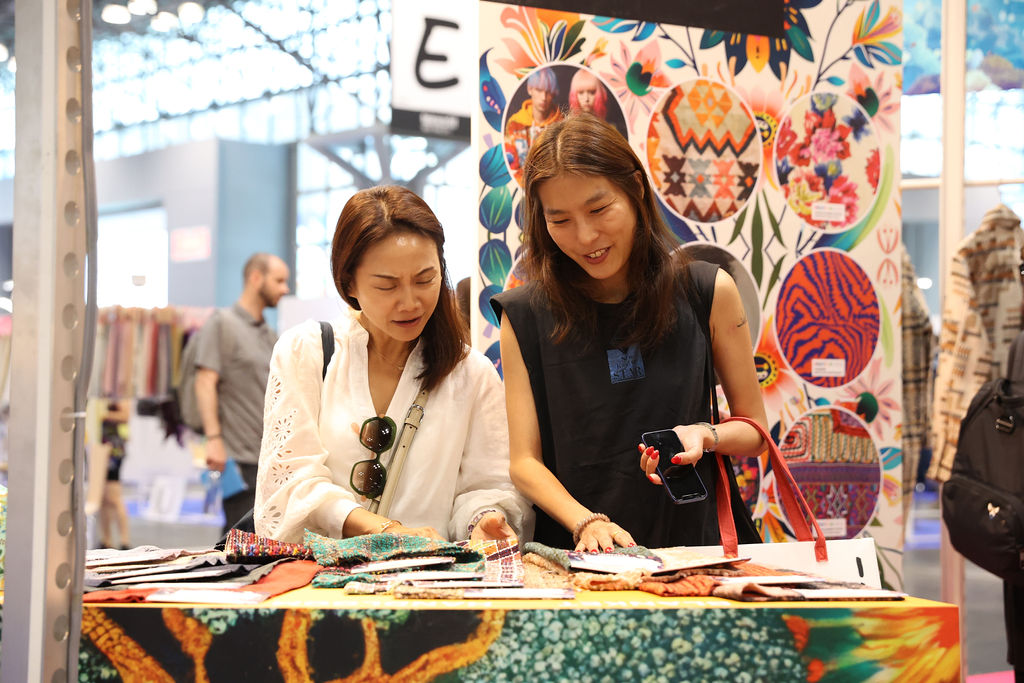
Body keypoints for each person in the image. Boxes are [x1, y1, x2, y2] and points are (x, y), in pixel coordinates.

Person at [492, 114, 768, 552]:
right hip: (580, 556)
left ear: (636, 189)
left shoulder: (706, 290)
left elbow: (755, 431)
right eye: (559, 219)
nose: (585, 236)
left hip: (697, 548)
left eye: (599, 209)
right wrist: (587, 523)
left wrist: (705, 434)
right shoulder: (524, 314)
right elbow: (524, 462)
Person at [254, 185, 532, 543]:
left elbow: (488, 484)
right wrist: (386, 532)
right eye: (387, 286)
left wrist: (484, 518)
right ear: (349, 282)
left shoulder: (471, 374)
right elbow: (289, 481)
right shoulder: (306, 352)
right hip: (320, 589)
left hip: (427, 588)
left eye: (425, 279)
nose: (410, 302)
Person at [194, 253, 291, 535]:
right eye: (279, 281)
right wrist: (213, 440)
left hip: (267, 456)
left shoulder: (268, 334)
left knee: (264, 537)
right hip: (238, 457)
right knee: (239, 537)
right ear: (256, 278)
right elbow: (204, 382)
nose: (285, 289)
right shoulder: (222, 324)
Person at [504, 67, 563, 184]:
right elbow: (510, 164)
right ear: (530, 89)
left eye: (548, 92)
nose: (544, 97)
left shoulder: (562, 125)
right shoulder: (515, 123)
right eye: (539, 90)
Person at [99, 400, 132, 549]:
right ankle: (106, 540)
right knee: (103, 498)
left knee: (114, 496)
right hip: (99, 447)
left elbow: (125, 415)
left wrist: (102, 414)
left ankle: (124, 541)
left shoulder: (118, 393)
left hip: (113, 450)